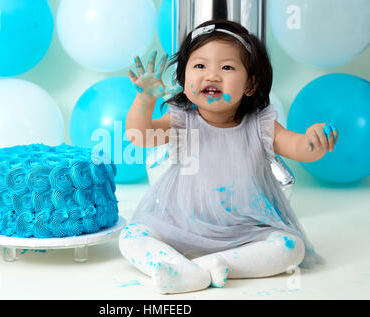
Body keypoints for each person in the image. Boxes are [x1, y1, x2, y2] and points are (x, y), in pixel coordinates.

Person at [119, 19, 338, 294]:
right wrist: (146, 98)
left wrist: (313, 140)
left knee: (291, 248)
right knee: (131, 236)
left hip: (245, 231)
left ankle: (215, 264)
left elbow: (297, 146)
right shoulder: (182, 120)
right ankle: (176, 266)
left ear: (250, 84)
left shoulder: (260, 124)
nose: (211, 76)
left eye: (227, 67)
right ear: (183, 79)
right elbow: (139, 134)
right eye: (199, 66)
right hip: (181, 224)